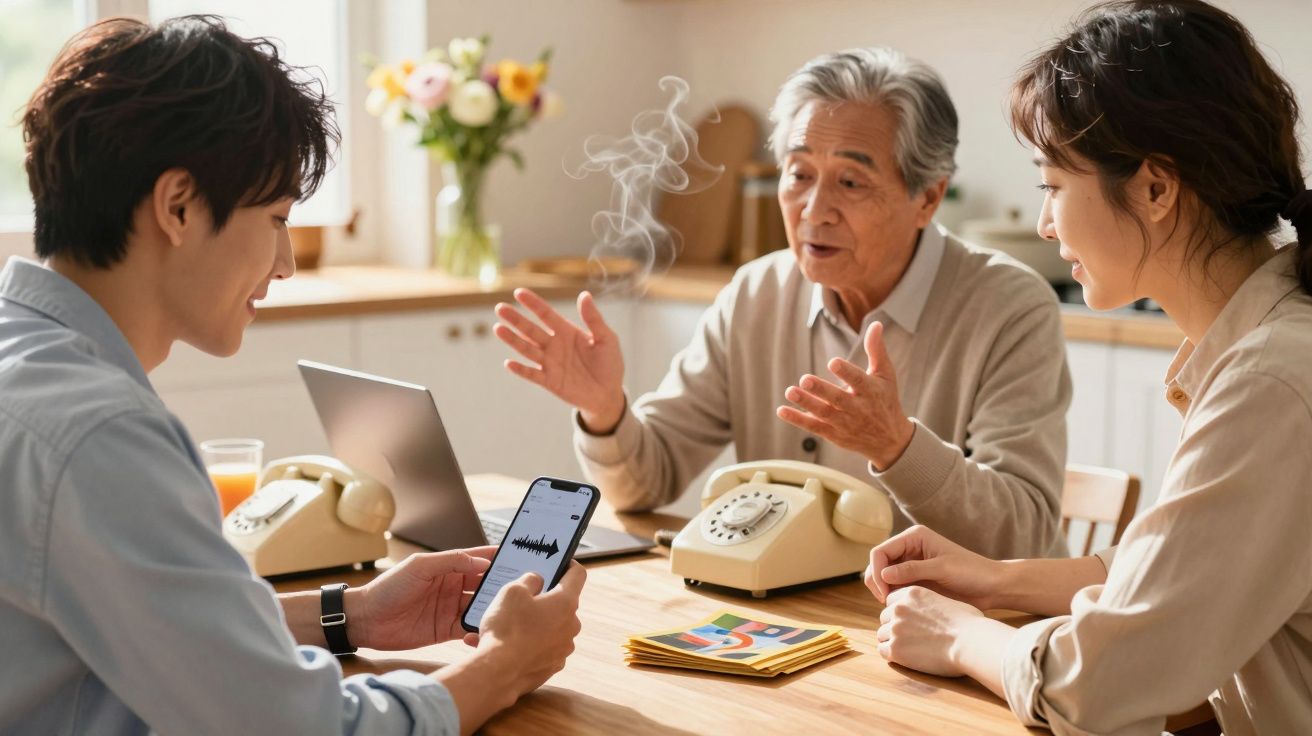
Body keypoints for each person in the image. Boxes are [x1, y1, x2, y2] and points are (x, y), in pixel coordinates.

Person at [0, 16, 583, 735]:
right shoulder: (100, 434)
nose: (287, 262)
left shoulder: (27, 367)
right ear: (177, 206)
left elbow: (132, 622)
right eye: (275, 218)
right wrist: (501, 668)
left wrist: (351, 613)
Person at [867, 2, 1312, 733]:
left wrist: (960, 635)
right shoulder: (1268, 345)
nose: (1045, 223)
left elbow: (1093, 689)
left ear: (1156, 189)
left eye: (1052, 185)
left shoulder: (1271, 382)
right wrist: (995, 578)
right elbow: (1185, 575)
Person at [494, 48, 1072, 559]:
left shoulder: (1010, 307)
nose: (813, 210)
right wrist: (605, 413)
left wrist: (897, 446)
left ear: (928, 198)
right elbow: (646, 483)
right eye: (798, 174)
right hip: (788, 613)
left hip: (954, 632)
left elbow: (1021, 535)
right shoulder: (756, 292)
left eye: (850, 182)